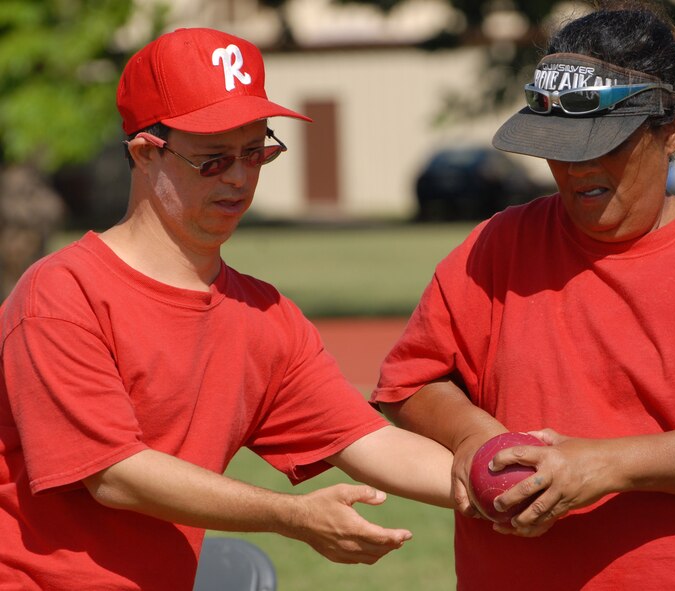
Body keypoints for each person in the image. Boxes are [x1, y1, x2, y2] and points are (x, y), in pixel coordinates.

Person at [371, 2, 675, 589]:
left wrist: (604, 465)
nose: (574, 166)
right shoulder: (499, 245)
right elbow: (410, 383)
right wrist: (472, 434)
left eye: (602, 142)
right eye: (557, 145)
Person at [0, 27, 454, 591]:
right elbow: (115, 475)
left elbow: (368, 441)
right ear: (145, 152)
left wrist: (494, 482)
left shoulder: (263, 315)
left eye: (256, 151)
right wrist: (293, 515)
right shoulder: (63, 293)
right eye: (212, 160)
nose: (240, 178)